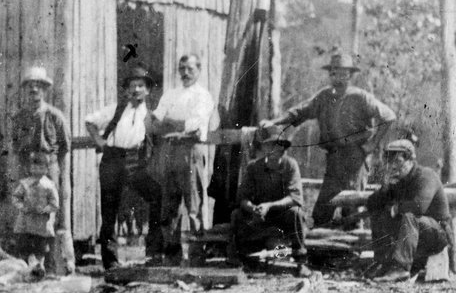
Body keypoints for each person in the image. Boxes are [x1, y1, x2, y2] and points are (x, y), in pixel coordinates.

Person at [259, 52, 395, 227]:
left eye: (342, 72)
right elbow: (299, 111)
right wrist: (274, 122)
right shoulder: (324, 97)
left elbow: (389, 116)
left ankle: (353, 250)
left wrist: (372, 145)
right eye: (334, 71)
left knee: (352, 208)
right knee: (323, 209)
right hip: (334, 158)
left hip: (355, 157)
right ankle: (322, 250)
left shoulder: (360, 97)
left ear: (349, 75)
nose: (337, 75)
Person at [84, 65, 163, 269]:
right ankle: (110, 262)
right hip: (113, 159)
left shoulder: (151, 116)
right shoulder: (116, 109)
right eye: (132, 86)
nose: (136, 90)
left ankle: (153, 253)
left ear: (147, 90)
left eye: (141, 86)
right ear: (127, 90)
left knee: (156, 194)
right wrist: (100, 142)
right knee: (109, 209)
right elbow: (90, 122)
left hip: (136, 162)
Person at [10, 66, 74, 274]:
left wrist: (60, 176)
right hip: (28, 168)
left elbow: (64, 147)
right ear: (25, 90)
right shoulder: (19, 117)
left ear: (45, 90)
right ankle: (32, 264)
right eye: (30, 86)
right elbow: (16, 146)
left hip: (50, 166)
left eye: (38, 86)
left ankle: (58, 264)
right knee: (28, 213)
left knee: (54, 212)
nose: (34, 90)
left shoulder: (55, 116)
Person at [152, 54, 215, 262]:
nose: (185, 73)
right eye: (181, 69)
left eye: (189, 69)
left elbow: (193, 125)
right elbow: (156, 121)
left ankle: (197, 257)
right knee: (169, 207)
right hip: (170, 150)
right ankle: (172, 257)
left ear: (199, 70)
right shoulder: (171, 94)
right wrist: (176, 123)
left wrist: (173, 123)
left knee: (194, 205)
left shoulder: (203, 96)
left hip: (191, 150)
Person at [230, 125, 312, 278]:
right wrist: (253, 208)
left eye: (277, 145)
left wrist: (270, 206)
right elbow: (242, 198)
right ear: (264, 148)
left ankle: (301, 262)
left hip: (282, 217)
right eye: (269, 145)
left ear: (283, 148)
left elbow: (294, 198)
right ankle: (242, 260)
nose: (273, 149)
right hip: (260, 217)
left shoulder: (290, 165)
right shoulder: (254, 167)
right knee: (237, 215)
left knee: (296, 213)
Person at [364, 139, 451, 282]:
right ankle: (383, 263)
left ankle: (400, 269)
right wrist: (384, 189)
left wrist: (396, 208)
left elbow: (419, 207)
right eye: (389, 161)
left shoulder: (425, 176)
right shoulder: (399, 181)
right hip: (414, 237)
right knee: (380, 215)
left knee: (409, 216)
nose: (393, 166)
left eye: (398, 161)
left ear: (410, 160)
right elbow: (371, 204)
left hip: (437, 235)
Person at [11, 153, 60, 279]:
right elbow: (15, 197)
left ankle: (39, 270)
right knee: (25, 245)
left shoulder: (49, 185)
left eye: (41, 168)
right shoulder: (25, 184)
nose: (37, 171)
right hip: (26, 221)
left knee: (40, 248)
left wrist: (45, 210)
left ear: (46, 169)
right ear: (30, 168)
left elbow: (55, 204)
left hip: (41, 223)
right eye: (34, 168)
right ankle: (26, 270)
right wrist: (23, 207)